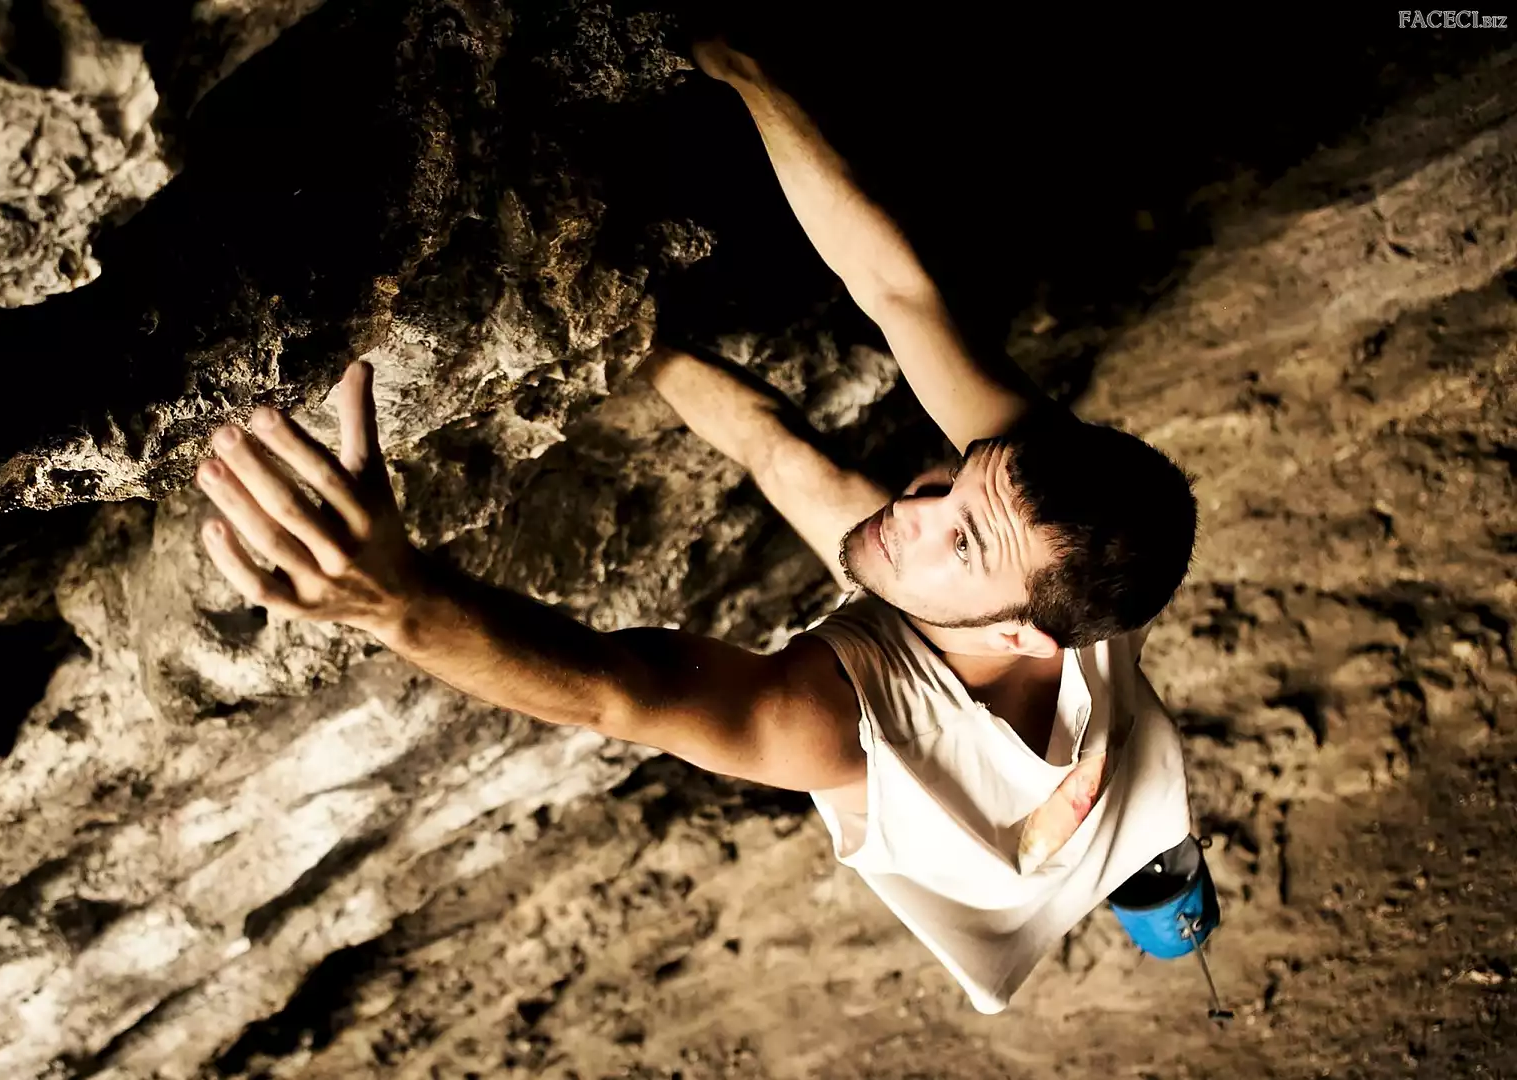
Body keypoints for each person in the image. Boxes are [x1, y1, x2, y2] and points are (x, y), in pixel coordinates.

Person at [191, 39, 1200, 1013]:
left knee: (1122, 843)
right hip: (1082, 718)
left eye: (961, 539)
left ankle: (1149, 874)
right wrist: (741, 66)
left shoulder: (854, 735)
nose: (914, 508)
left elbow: (618, 692)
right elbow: (894, 294)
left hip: (997, 864)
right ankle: (1142, 846)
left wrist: (397, 601)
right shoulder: (1039, 517)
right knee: (801, 469)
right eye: (949, 485)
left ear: (1022, 635)